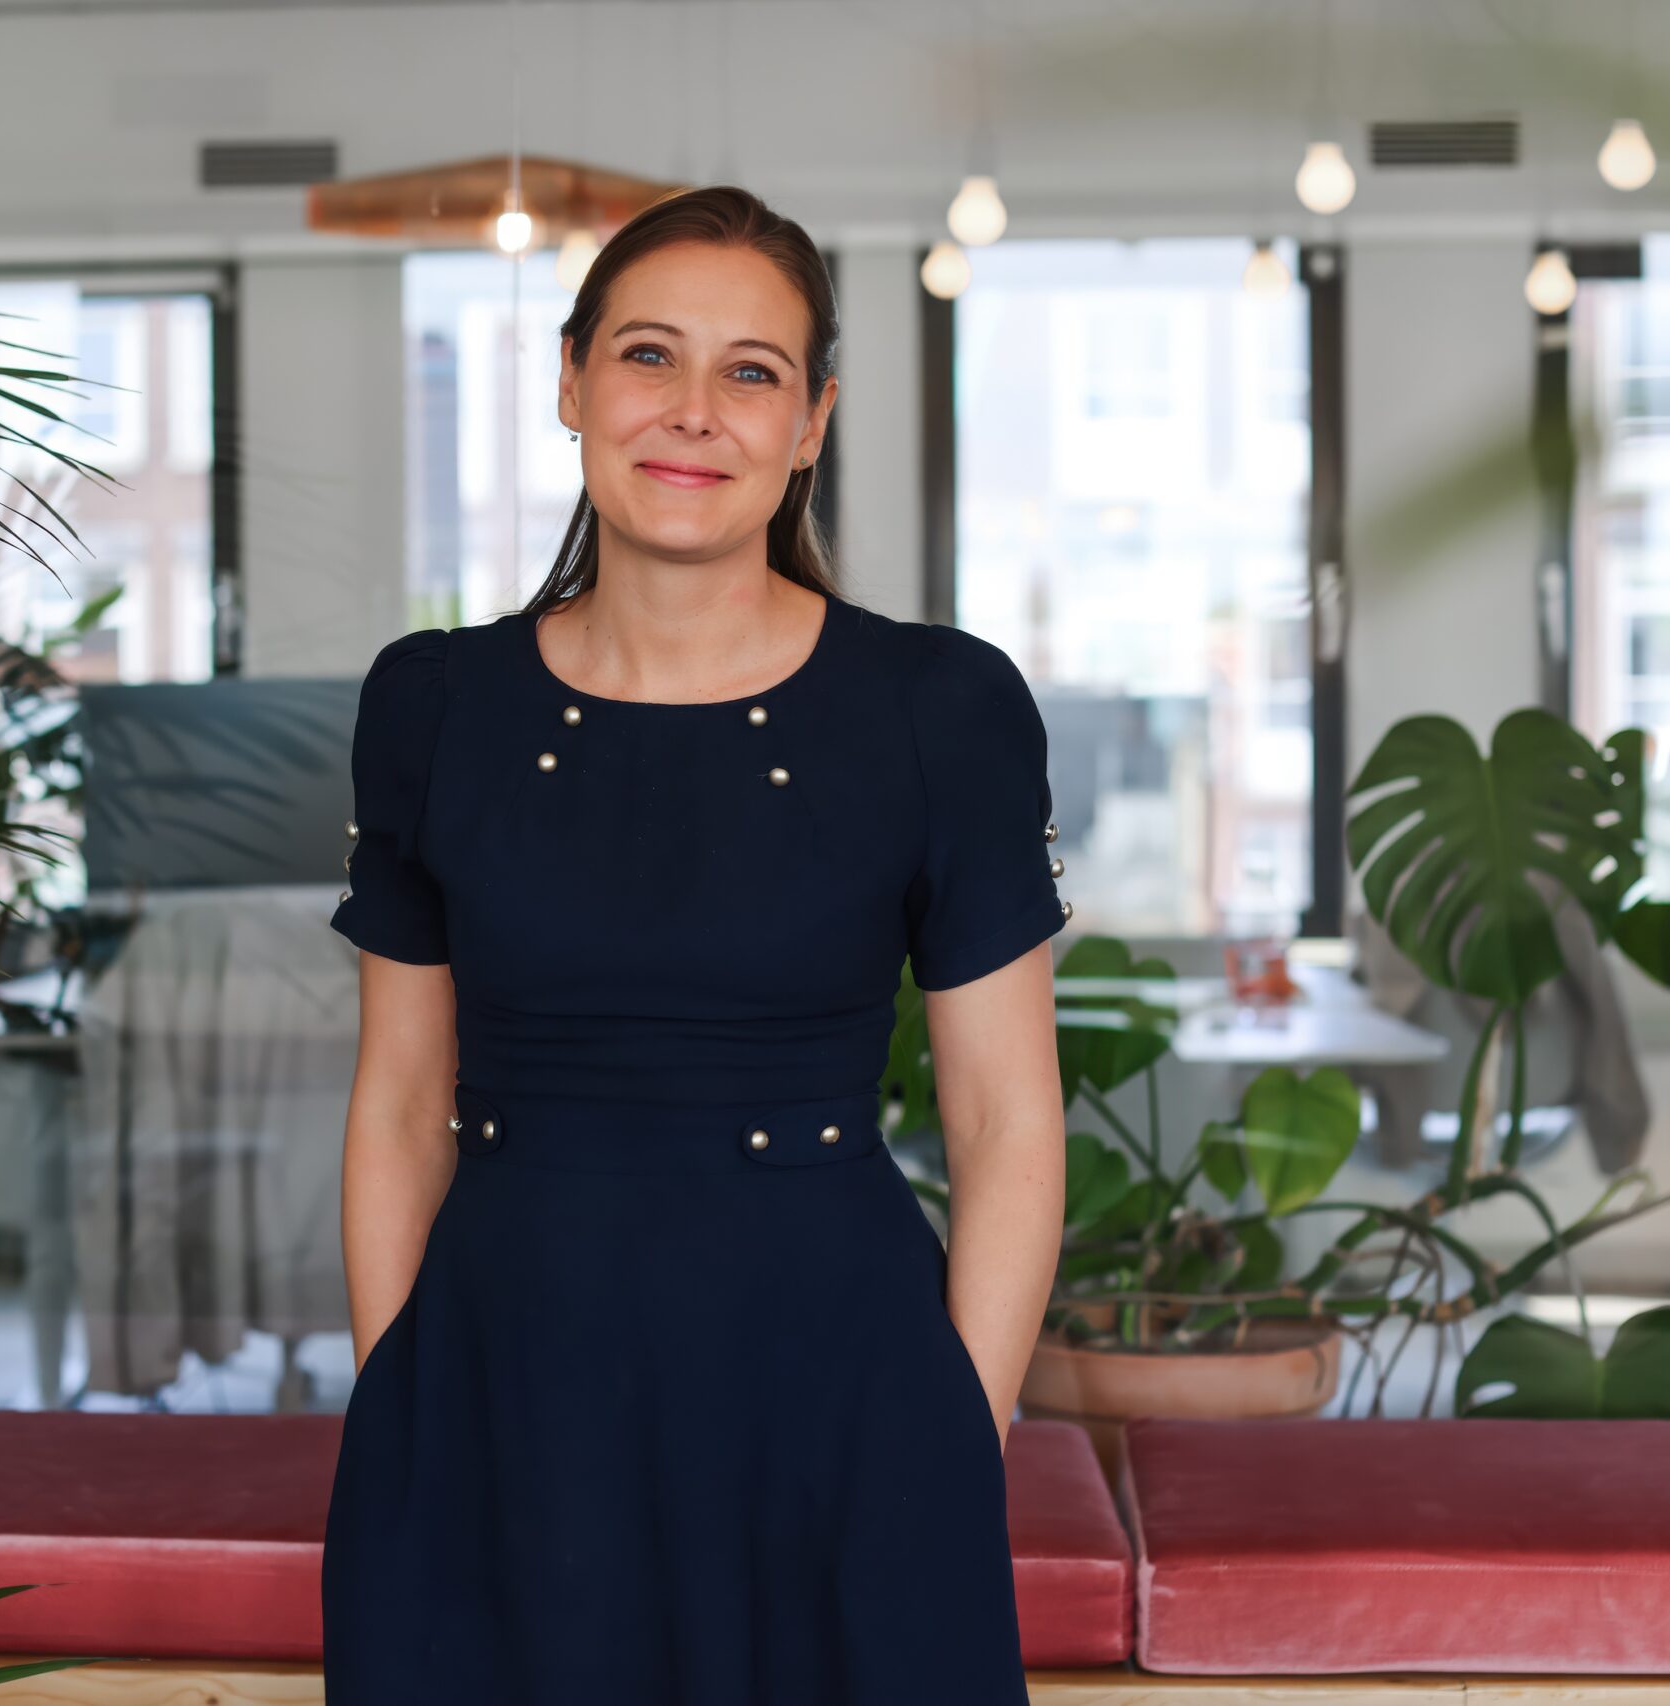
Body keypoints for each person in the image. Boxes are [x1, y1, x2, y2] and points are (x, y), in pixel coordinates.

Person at [320, 184, 1071, 1706]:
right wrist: (400, 1396)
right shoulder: (434, 703)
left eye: (752, 372)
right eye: (649, 355)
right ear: (572, 381)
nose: (693, 412)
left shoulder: (940, 707)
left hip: (843, 1392)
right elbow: (398, 1101)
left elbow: (1006, 1118)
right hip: (497, 1382)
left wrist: (957, 1425)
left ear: (811, 423)